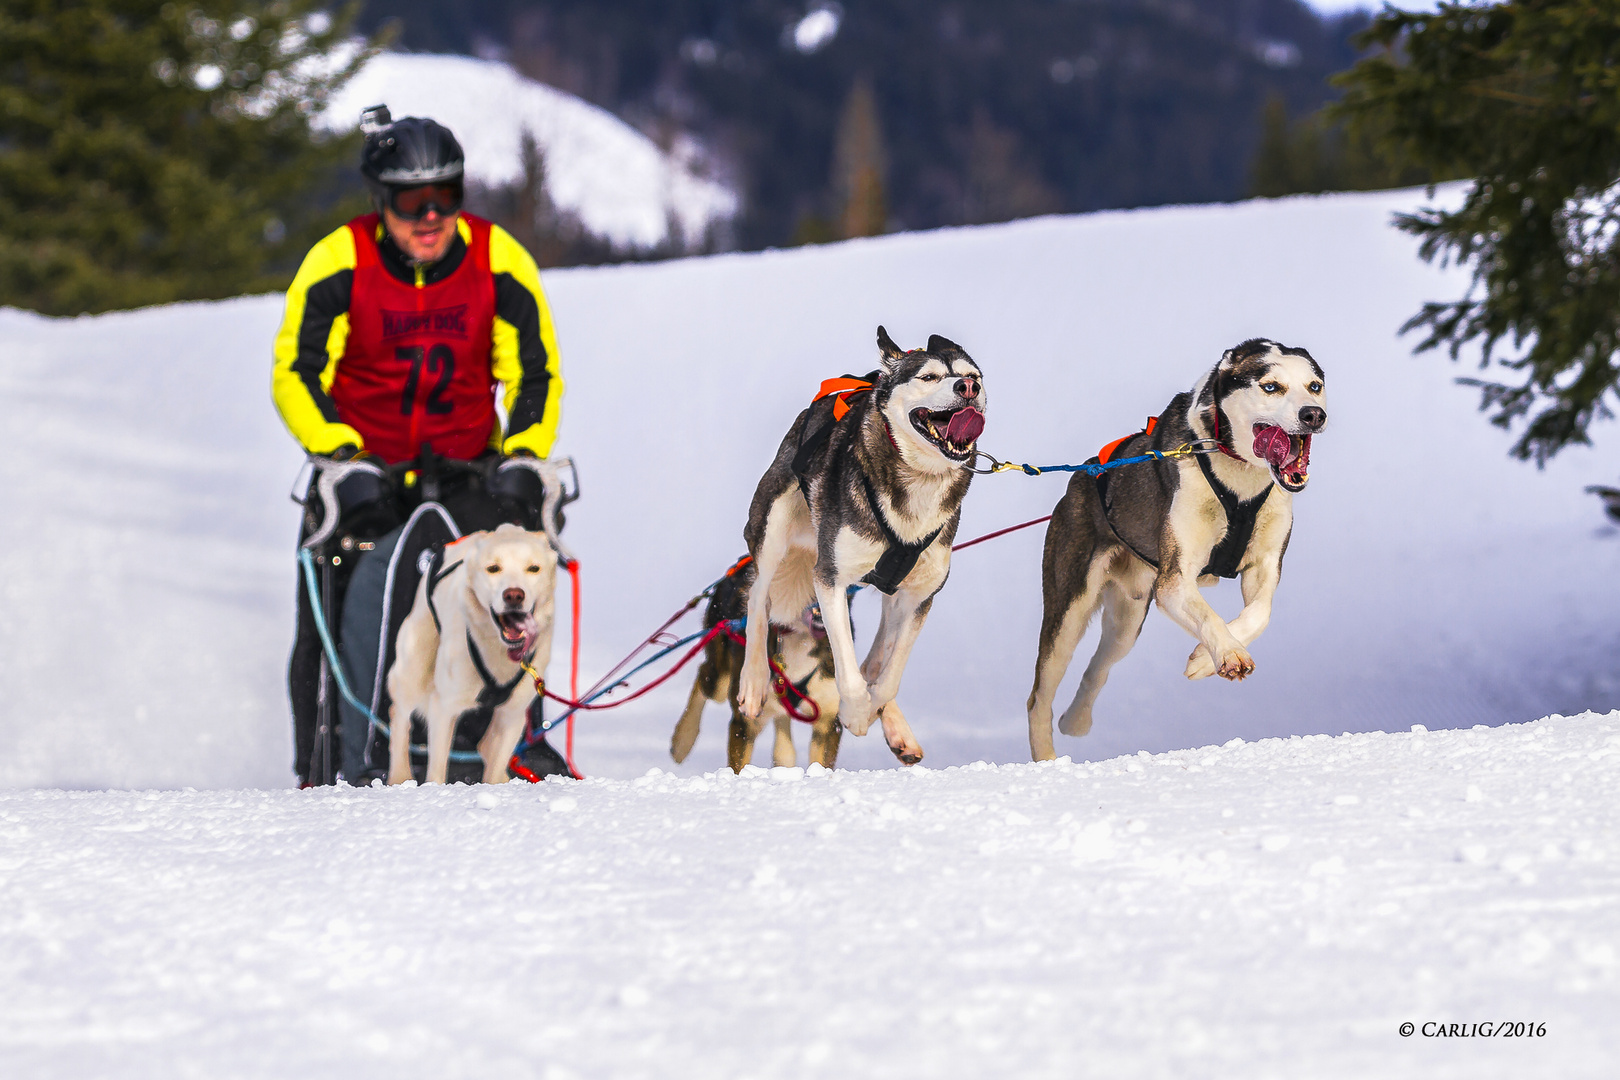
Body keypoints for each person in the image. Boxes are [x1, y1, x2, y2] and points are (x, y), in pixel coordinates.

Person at [272, 106, 570, 786]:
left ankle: (521, 740)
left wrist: (524, 454)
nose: (430, 215)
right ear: (382, 202)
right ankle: (323, 768)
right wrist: (340, 457)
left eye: (446, 195)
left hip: (468, 470)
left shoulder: (498, 259)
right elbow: (296, 370)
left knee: (514, 590)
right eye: (412, 200)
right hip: (366, 481)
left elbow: (534, 369)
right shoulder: (339, 260)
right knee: (324, 618)